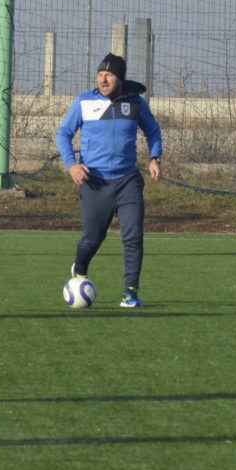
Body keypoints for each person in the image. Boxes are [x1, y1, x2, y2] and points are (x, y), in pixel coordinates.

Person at [56, 53, 162, 308]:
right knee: (93, 238)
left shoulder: (136, 104)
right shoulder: (84, 102)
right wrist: (72, 165)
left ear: (120, 78)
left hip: (128, 181)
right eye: (100, 74)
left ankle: (131, 293)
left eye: (109, 75)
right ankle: (80, 266)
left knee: (133, 236)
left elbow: (153, 130)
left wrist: (154, 157)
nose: (103, 79)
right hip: (95, 183)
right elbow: (64, 133)